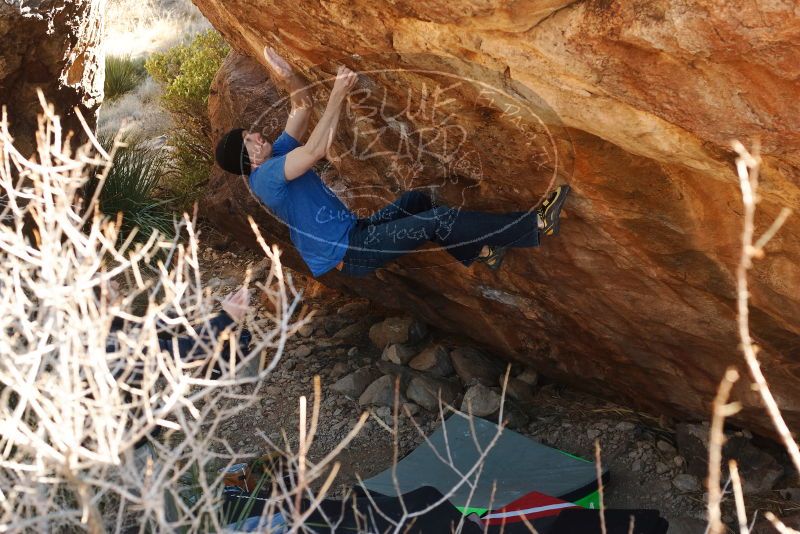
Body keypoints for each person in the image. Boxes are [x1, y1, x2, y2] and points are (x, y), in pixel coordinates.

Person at [215, 47, 570, 278]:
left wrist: (286, 72)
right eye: (250, 141)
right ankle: (534, 225)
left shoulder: (272, 156)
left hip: (357, 233)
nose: (259, 136)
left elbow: (302, 107)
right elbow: (315, 152)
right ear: (248, 159)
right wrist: (338, 92)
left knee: (418, 201)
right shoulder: (267, 178)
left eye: (253, 134)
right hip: (353, 253)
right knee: (437, 220)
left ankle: (484, 249)